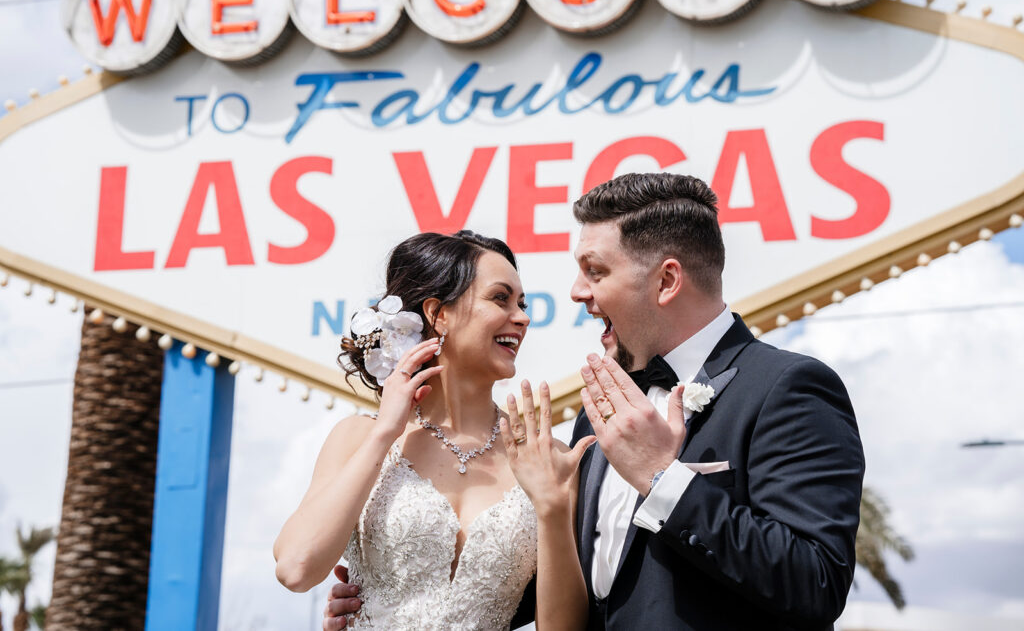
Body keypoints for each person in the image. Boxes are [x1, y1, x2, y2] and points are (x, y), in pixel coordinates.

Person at [325, 173, 865, 630]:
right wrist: (391, 593)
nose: (577, 292)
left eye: (596, 271)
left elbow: (814, 581)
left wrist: (663, 476)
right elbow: (554, 583)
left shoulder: (787, 388)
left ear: (667, 280)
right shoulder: (601, 409)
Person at [274, 230, 594, 630]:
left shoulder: (547, 458)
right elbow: (296, 569)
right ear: (437, 314)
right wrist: (385, 432)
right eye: (501, 298)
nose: (523, 317)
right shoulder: (360, 437)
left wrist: (550, 507)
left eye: (522, 303)